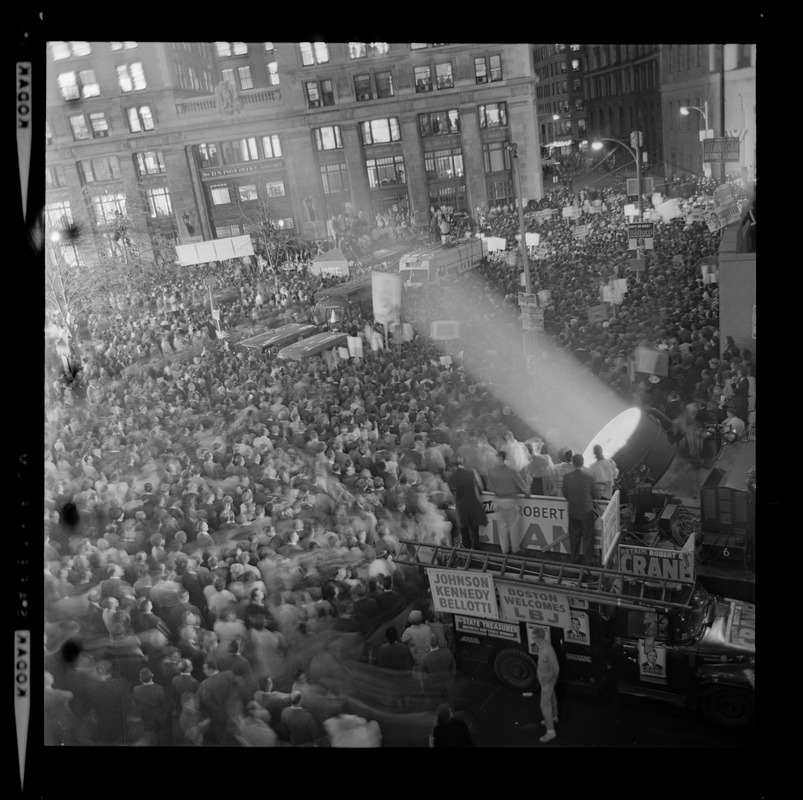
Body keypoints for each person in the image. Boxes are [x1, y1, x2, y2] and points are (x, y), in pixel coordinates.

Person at [486, 450, 530, 555]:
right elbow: (522, 486)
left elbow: (489, 487)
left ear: (499, 457)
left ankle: (504, 550)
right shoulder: (512, 471)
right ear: (504, 458)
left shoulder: (492, 471)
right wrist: (527, 493)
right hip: (510, 500)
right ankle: (515, 549)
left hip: (497, 500)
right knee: (513, 526)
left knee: (502, 527)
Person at [562, 453, 599, 566]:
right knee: (588, 536)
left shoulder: (567, 477)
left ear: (573, 463)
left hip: (573, 511)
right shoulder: (590, 477)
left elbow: (565, 493)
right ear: (583, 463)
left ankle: (574, 557)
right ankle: (588, 560)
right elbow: (595, 494)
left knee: (574, 536)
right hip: (586, 511)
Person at [446, 456, 488, 549]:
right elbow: (480, 487)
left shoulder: (451, 478)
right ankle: (476, 552)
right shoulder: (472, 472)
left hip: (461, 507)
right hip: (474, 504)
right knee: (475, 531)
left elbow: (451, 492)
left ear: (451, 466)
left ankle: (467, 554)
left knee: (464, 531)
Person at [532, 627, 559, 743]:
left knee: (544, 705)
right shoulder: (542, 646)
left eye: (533, 638)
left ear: (538, 638)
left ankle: (550, 732)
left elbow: (556, 669)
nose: (533, 640)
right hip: (546, 680)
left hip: (547, 681)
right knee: (551, 697)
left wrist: (547, 680)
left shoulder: (547, 650)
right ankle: (554, 717)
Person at [133, 667, 173, 745]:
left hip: (146, 717)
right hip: (160, 717)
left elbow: (136, 702)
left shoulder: (136, 689)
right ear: (152, 675)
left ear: (140, 679)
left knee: (152, 737)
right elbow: (166, 704)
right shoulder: (159, 688)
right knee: (163, 737)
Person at [420, 632, 456, 704]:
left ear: (429, 643)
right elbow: (453, 667)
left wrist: (425, 688)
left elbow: (424, 677)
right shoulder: (448, 652)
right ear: (438, 641)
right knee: (449, 703)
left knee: (438, 706)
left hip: (434, 687)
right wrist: (451, 678)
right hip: (448, 684)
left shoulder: (425, 659)